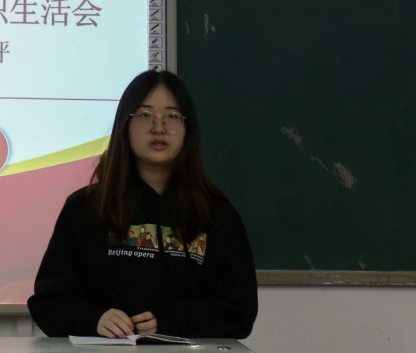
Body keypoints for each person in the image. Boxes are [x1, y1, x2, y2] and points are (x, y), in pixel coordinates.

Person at [27, 70, 257, 339]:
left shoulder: (216, 214)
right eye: (145, 115)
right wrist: (94, 320)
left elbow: (239, 313)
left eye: (172, 116)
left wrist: (170, 321)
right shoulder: (85, 208)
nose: (159, 127)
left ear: (188, 129)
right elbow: (48, 303)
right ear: (125, 124)